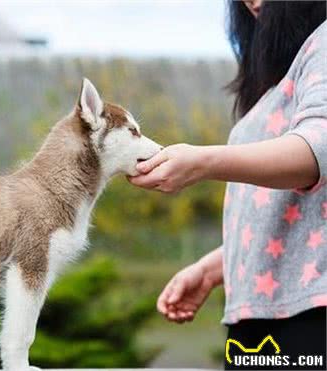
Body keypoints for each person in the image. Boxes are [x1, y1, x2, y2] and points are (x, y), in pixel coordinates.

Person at [128, 1, 327, 369]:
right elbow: (293, 216)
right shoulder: (283, 78)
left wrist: (203, 162)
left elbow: (318, 148)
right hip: (263, 315)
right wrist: (212, 268)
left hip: (310, 314)